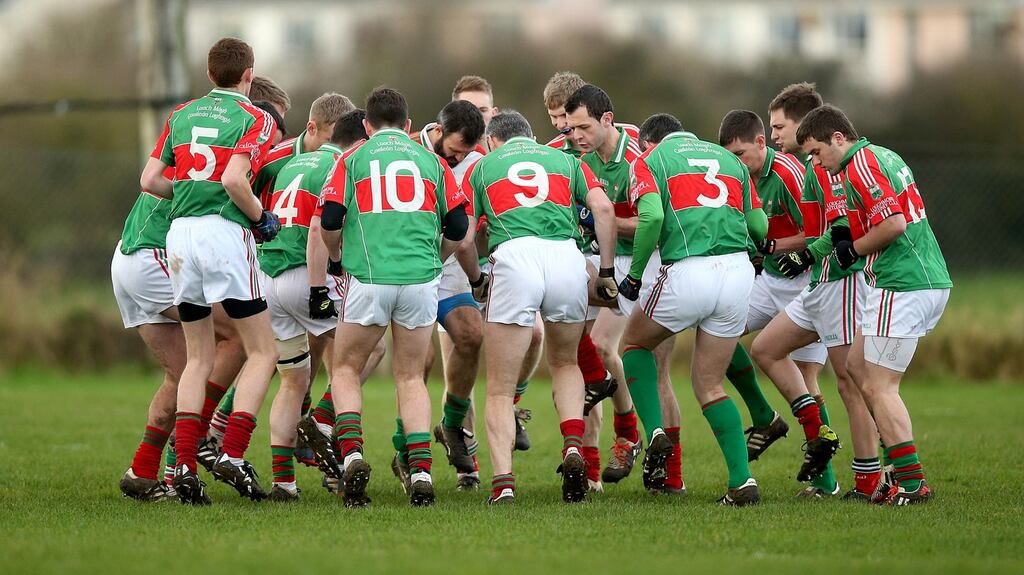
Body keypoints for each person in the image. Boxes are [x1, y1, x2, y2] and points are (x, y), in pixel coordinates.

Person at [139, 37, 282, 505]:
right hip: (222, 234)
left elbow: (149, 180)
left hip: (179, 237)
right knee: (261, 350)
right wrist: (261, 218)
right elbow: (233, 179)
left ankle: (182, 464)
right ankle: (234, 453)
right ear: (248, 74)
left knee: (197, 358)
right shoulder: (255, 116)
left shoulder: (180, 115)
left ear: (208, 74)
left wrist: (186, 194)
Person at [319, 87, 469, 508]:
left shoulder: (353, 158)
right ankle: (420, 470)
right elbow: (458, 227)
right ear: (409, 125)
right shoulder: (433, 161)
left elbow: (330, 218)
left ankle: (351, 457)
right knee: (410, 375)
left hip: (368, 276)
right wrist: (435, 259)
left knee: (347, 368)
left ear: (366, 126)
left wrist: (335, 258)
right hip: (421, 280)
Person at [796, 104, 951, 505]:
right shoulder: (881, 156)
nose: (816, 162)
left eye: (816, 152)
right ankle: (892, 474)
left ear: (838, 138)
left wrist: (854, 251)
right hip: (915, 281)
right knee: (857, 368)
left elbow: (894, 224)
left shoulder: (860, 163)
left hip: (903, 283)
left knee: (880, 386)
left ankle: (912, 483)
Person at [466, 111, 618, 504]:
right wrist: (604, 271)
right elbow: (603, 210)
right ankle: (572, 446)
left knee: (500, 389)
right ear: (531, 137)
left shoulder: (483, 167)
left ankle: (503, 486)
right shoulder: (568, 160)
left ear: (492, 141)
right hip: (566, 258)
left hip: (515, 258)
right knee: (566, 363)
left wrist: (476, 280)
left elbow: (465, 240)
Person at [619, 116, 768, 506]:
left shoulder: (650, 159)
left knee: (633, 345)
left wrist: (634, 275)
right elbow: (758, 222)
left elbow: (651, 217)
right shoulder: (729, 159)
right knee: (710, 385)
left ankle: (654, 433)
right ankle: (742, 481)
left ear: (648, 142)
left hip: (688, 269)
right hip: (738, 272)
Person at [750, 83, 875, 499]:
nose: (774, 136)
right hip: (818, 284)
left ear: (809, 126)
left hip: (839, 283)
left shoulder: (831, 169)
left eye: (780, 126)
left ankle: (873, 476)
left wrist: (806, 253)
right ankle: (820, 440)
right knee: (767, 349)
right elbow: (823, 232)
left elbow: (837, 231)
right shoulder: (814, 168)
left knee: (850, 382)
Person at [718, 109, 839, 497]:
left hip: (807, 281)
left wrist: (772, 245)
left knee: (805, 379)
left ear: (760, 144)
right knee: (717, 333)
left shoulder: (788, 172)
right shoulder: (736, 176)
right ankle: (763, 416)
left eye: (740, 154)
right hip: (768, 279)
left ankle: (825, 479)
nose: (735, 163)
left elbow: (817, 233)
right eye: (729, 155)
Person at [257, 110, 370, 502]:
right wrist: (320, 285)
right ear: (359, 141)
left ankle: (283, 482)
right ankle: (321, 422)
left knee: (292, 381)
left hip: (269, 280)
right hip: (306, 275)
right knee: (368, 351)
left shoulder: (295, 161)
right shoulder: (341, 164)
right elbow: (319, 228)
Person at [564, 84, 658, 490]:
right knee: (574, 356)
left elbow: (657, 221)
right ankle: (590, 468)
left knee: (602, 347)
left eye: (582, 127)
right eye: (570, 129)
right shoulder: (576, 160)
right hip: (592, 260)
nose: (576, 136)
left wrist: (607, 223)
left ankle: (628, 432)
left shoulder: (638, 160)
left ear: (607, 119)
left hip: (635, 263)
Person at [409, 100, 488, 491]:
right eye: (456, 149)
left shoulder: (475, 162)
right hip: (409, 271)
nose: (459, 157)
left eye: (466, 152)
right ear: (438, 131)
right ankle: (406, 453)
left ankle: (452, 424)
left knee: (473, 337)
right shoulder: (407, 150)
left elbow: (465, 232)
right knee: (417, 362)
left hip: (450, 267)